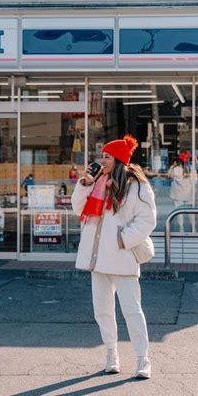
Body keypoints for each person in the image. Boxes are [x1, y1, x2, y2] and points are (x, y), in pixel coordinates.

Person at [71, 134, 156, 379]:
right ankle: (112, 354)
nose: (102, 160)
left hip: (122, 256)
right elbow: (79, 209)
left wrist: (123, 239)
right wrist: (85, 183)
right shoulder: (97, 182)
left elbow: (147, 219)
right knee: (103, 310)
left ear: (118, 159)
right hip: (97, 258)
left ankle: (142, 359)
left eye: (107, 156)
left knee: (132, 309)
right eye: (102, 156)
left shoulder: (137, 185)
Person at [167, 151, 194, 232]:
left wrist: (172, 167)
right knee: (190, 212)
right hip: (188, 193)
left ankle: (181, 228)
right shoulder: (190, 169)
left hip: (178, 194)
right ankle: (193, 227)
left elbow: (169, 175)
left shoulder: (176, 169)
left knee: (179, 212)